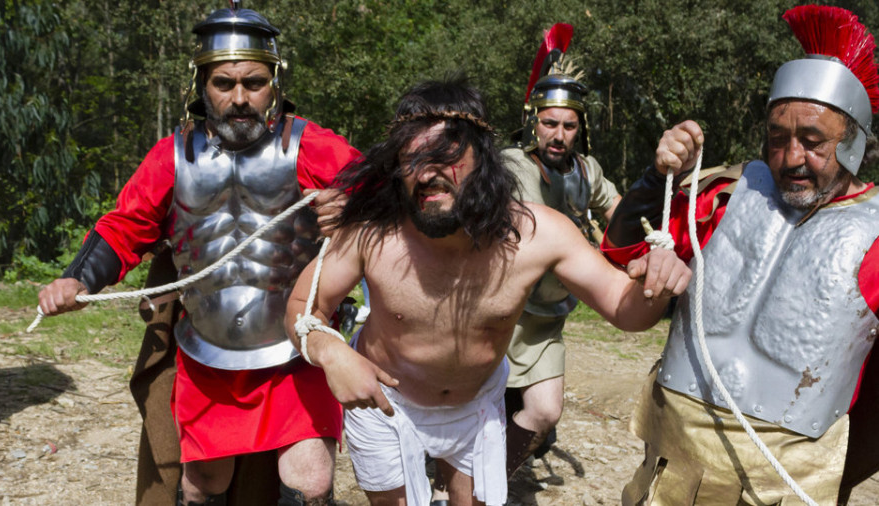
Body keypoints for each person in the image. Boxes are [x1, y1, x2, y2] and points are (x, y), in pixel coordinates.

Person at [283, 76, 691, 506]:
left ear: (483, 159)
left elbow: (627, 313)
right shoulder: (371, 233)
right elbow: (301, 306)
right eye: (412, 157)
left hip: (477, 407)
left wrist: (655, 286)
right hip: (386, 408)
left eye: (447, 156)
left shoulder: (537, 234)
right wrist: (332, 353)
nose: (428, 172)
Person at [36, 6, 360, 506]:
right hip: (207, 352)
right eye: (223, 83)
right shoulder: (172, 155)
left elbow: (388, 199)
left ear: (273, 83)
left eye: (253, 83)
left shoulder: (312, 147)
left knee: (311, 479)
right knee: (202, 483)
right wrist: (77, 280)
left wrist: (354, 212)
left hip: (296, 350)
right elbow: (125, 226)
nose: (238, 98)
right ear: (201, 85)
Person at [601, 6, 879, 504]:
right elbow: (623, 249)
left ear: (853, 144)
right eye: (778, 139)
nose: (792, 157)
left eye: (813, 142)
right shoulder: (727, 197)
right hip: (675, 449)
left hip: (785, 475)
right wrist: (656, 176)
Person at [500, 23, 622, 476]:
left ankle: (492, 476)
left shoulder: (587, 169)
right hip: (499, 314)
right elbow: (533, 220)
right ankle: (460, 485)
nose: (559, 134)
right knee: (472, 413)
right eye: (550, 123)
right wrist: (587, 239)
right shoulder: (514, 164)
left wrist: (647, 241)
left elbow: (617, 210)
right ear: (534, 122)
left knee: (545, 413)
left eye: (569, 125)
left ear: (580, 128)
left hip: (546, 320)